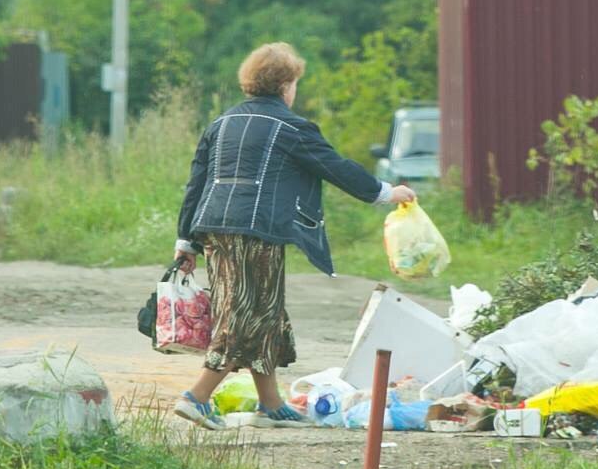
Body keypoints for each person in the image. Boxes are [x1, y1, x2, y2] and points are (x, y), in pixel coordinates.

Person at [171, 42, 415, 429]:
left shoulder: (220, 123)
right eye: (295, 82)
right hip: (256, 231)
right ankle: (196, 397)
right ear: (286, 85)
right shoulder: (292, 127)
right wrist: (386, 192)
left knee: (263, 311)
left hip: (213, 228)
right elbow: (335, 166)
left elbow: (196, 182)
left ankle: (271, 402)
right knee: (245, 315)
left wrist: (185, 241)